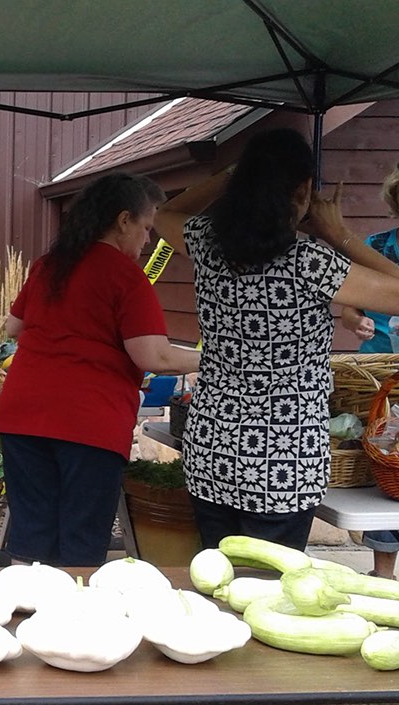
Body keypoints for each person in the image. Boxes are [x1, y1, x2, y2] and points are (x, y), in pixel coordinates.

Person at [154, 127, 399, 552]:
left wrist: (233, 173)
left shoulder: (208, 244)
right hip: (285, 459)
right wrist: (336, 231)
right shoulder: (312, 261)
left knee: (218, 579)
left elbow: (163, 214)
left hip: (214, 446)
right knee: (271, 592)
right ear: (304, 190)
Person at [0, 172, 201, 567]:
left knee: (29, 536)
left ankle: (23, 619)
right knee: (80, 542)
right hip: (88, 423)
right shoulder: (125, 277)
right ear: (123, 221)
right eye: (145, 228)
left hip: (23, 415)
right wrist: (217, 358)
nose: (146, 241)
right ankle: (71, 623)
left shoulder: (51, 264)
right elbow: (153, 357)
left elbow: (13, 326)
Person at [338, 162, 399, 578]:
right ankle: (383, 571)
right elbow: (348, 305)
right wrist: (354, 321)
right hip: (384, 386)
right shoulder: (376, 246)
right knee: (388, 468)